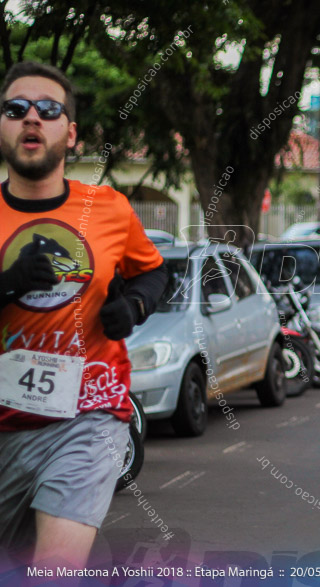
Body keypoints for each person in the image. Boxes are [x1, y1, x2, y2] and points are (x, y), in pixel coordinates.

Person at [0, 62, 167, 567]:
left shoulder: (109, 207)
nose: (32, 119)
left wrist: (133, 306)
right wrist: (9, 283)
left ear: (69, 134)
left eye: (48, 110)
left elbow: (156, 273)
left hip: (87, 415)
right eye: (16, 109)